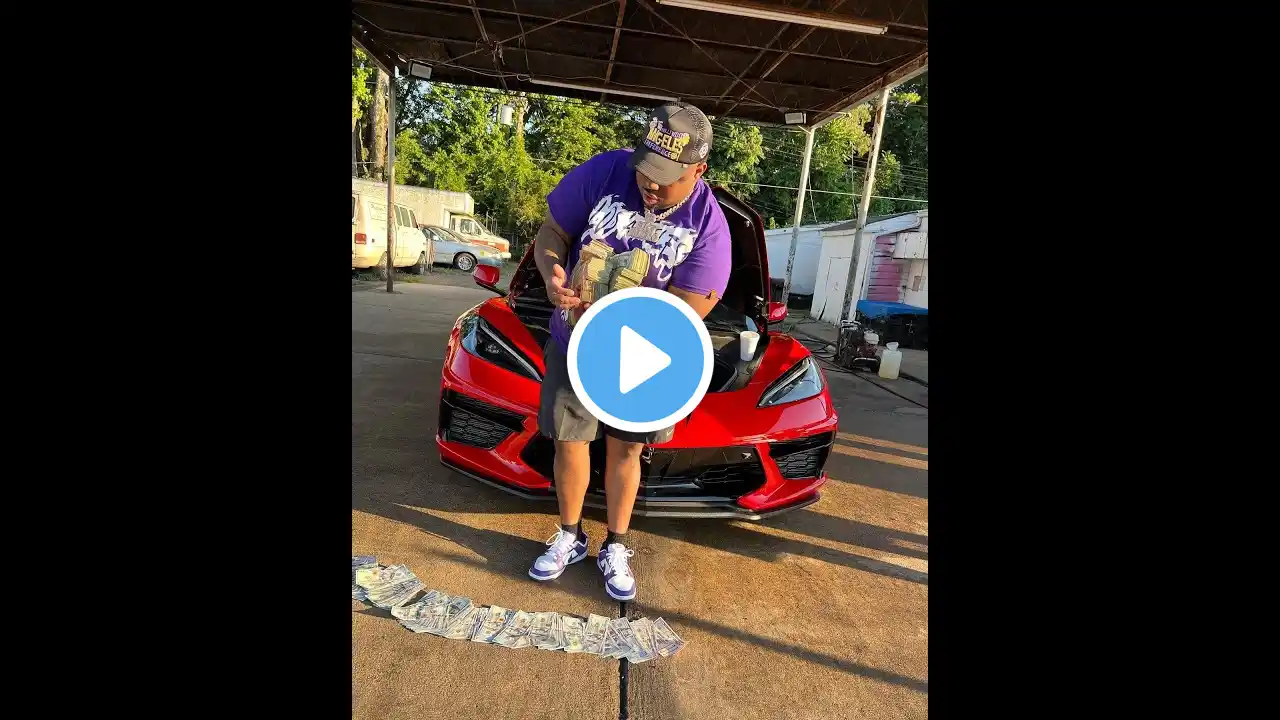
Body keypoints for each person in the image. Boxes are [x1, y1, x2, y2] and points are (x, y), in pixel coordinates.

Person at [527, 102, 732, 601]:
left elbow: (684, 314)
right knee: (569, 441)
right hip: (573, 342)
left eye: (665, 177)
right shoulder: (605, 171)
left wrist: (622, 326)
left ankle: (615, 545)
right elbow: (552, 231)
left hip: (644, 360)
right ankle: (570, 535)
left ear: (699, 170)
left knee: (626, 449)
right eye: (645, 170)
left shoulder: (708, 225)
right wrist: (553, 273)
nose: (650, 184)